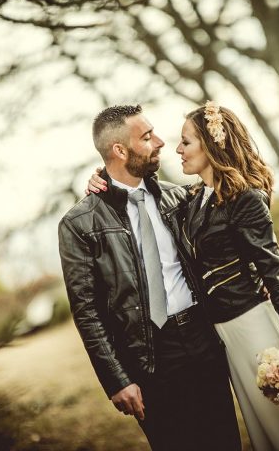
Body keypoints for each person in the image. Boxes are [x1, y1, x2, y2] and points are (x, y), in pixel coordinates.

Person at [88, 102, 279, 451]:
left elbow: (275, 270)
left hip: (254, 327)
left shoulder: (245, 199)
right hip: (225, 337)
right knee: (269, 428)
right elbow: (128, 180)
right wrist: (104, 177)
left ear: (211, 145)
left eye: (186, 142)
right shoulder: (191, 199)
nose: (176, 149)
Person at [58, 104, 241, 451]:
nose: (160, 142)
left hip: (204, 342)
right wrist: (116, 380)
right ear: (119, 150)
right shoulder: (79, 224)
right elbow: (87, 311)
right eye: (147, 137)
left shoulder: (180, 198)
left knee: (225, 443)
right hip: (148, 358)